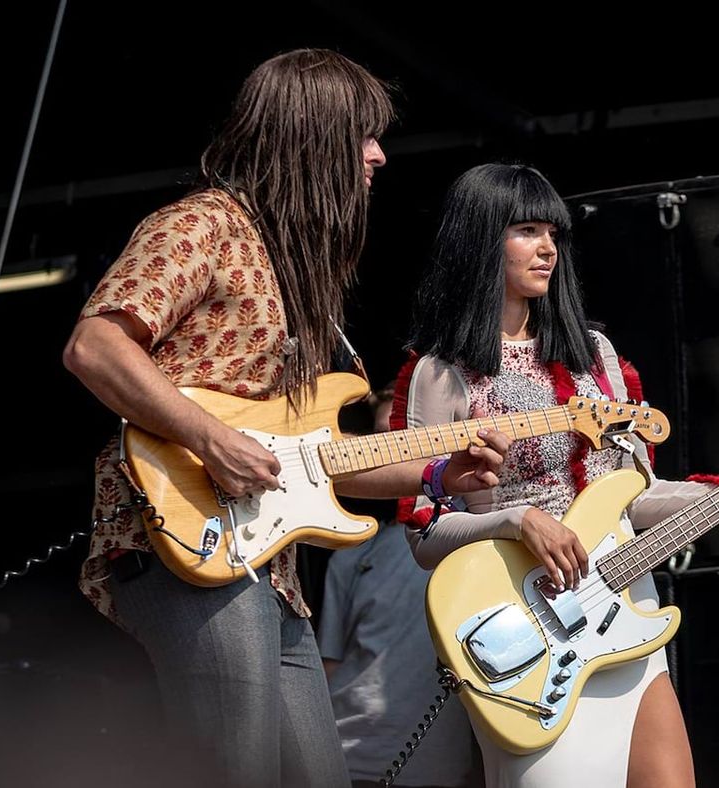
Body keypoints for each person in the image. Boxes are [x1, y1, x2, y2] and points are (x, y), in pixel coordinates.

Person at [61, 50, 510, 788]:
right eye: (364, 136)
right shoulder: (199, 226)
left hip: (271, 570)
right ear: (313, 136)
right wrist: (210, 437)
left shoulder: (300, 272)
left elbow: (318, 459)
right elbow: (94, 344)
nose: (380, 155)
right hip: (184, 540)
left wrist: (435, 471)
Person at [393, 163, 719, 788]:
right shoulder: (439, 373)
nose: (548, 248)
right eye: (526, 230)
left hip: (623, 606)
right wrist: (517, 520)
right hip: (528, 623)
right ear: (480, 239)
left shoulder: (596, 357)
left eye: (554, 233)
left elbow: (635, 496)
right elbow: (424, 535)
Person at [318, 384, 479, 788]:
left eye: (399, 436)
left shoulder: (477, 537)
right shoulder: (351, 554)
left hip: (437, 765)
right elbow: (327, 664)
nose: (388, 451)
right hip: (347, 755)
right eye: (380, 438)